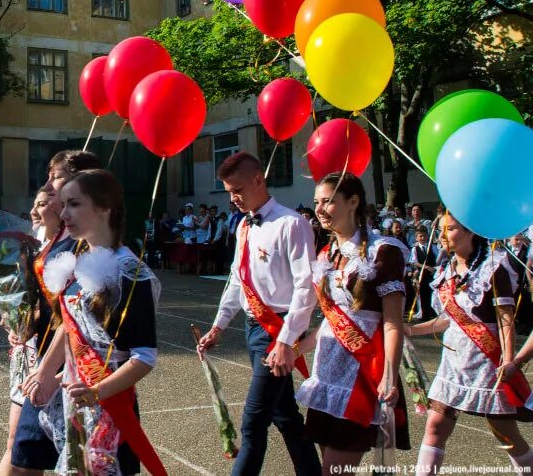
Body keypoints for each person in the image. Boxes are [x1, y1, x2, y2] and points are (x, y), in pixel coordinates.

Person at [198, 152, 321, 476]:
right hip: (254, 329)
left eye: (237, 189)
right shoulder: (243, 226)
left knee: (253, 422)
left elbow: (306, 288)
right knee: (285, 417)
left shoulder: (292, 224)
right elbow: (238, 281)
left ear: (258, 180)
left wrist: (285, 342)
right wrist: (218, 326)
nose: (233, 198)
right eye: (228, 191)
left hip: (277, 331)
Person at [37, 169, 165, 475]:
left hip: (111, 406)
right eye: (63, 204)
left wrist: (97, 391)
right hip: (77, 402)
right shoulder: (78, 262)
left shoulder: (130, 273)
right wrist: (52, 377)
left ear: (104, 207)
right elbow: (71, 331)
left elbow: (145, 357)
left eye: (74, 204)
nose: (63, 212)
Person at [295, 172, 410, 473]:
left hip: (362, 375)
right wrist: (292, 350)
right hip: (327, 374)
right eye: (317, 201)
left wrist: (390, 375)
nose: (319, 209)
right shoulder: (326, 254)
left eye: (328, 201)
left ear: (353, 202)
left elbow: (393, 323)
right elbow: (330, 323)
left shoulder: (383, 251)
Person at [405, 211, 533, 474]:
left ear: (470, 232)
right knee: (436, 425)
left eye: (450, 229)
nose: (442, 237)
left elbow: (504, 319)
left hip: (486, 363)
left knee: (506, 435)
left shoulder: (493, 269)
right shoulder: (445, 270)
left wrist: (509, 361)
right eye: (440, 230)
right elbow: (446, 320)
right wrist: (409, 330)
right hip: (453, 362)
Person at [11, 150, 101, 476]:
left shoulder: (88, 242)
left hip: (76, 371)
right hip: (48, 363)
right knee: (23, 457)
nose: (49, 183)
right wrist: (24, 322)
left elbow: (76, 315)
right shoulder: (60, 235)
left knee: (83, 466)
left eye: (56, 176)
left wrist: (48, 370)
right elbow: (51, 305)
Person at [0, 191, 50, 476]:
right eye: (33, 204)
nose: (33, 211)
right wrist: (11, 319)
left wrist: (33, 319)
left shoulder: (74, 247)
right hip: (28, 352)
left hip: (60, 358)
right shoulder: (29, 246)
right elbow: (11, 292)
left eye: (42, 204)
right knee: (18, 446)